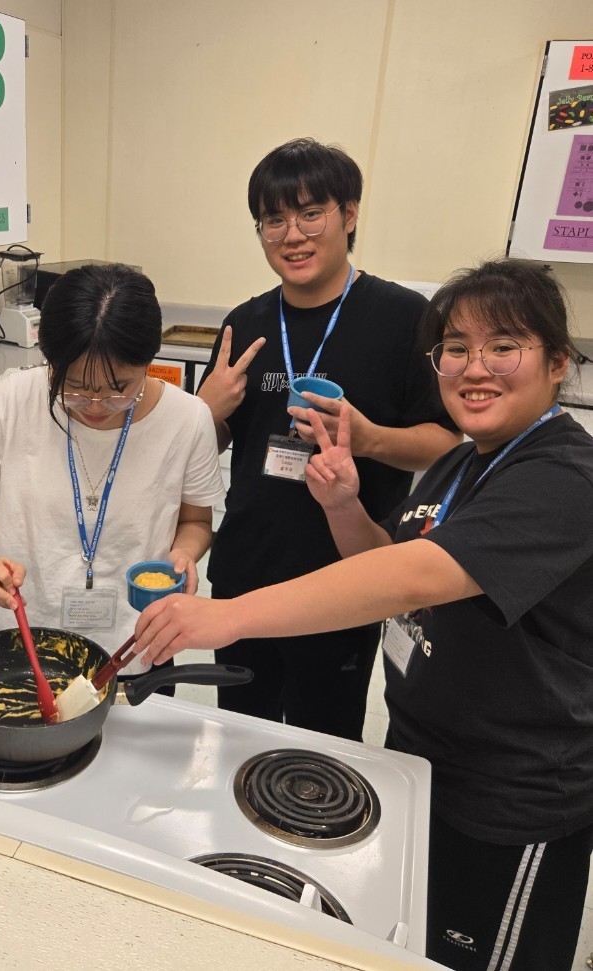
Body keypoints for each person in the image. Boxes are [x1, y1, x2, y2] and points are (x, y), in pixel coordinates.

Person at [135, 258, 593, 971]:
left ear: (557, 361)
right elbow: (390, 556)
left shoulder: (563, 475)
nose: (475, 368)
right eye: (455, 348)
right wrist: (344, 505)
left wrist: (227, 616)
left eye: (503, 346)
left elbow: (415, 574)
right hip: (422, 763)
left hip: (509, 793)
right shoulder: (468, 460)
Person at [196, 137, 461, 740]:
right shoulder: (247, 323)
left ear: (350, 213)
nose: (292, 234)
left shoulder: (405, 319)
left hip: (348, 574)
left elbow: (449, 445)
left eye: (311, 212)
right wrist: (203, 414)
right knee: (239, 736)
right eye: (273, 219)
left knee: (327, 744)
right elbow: (206, 446)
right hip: (246, 572)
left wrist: (368, 440)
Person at [0, 262, 224, 675]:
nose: (95, 405)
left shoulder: (188, 419)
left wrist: (184, 553)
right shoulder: (15, 399)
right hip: (22, 646)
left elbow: (196, 521)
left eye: (119, 388)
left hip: (135, 648)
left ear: (149, 361)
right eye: (74, 387)